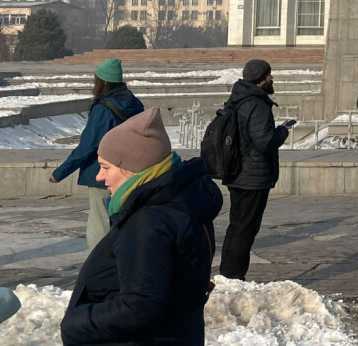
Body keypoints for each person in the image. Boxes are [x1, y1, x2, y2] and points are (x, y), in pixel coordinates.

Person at [60, 108, 222, 346]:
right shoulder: (177, 203)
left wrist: (75, 325)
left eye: (106, 167)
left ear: (132, 168)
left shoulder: (150, 222)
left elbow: (139, 306)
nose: (99, 177)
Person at [49, 59, 145, 249]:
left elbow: (89, 145)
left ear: (103, 82)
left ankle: (99, 264)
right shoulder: (134, 104)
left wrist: (60, 172)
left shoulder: (104, 109)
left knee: (100, 220)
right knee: (123, 218)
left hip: (102, 172)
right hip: (128, 170)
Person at [219, 59, 294, 281]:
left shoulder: (238, 99)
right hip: (252, 177)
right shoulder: (257, 105)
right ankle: (234, 277)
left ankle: (228, 275)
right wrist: (283, 131)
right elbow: (264, 142)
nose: (272, 79)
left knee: (237, 227)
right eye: (270, 75)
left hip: (238, 173)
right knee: (245, 229)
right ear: (261, 79)